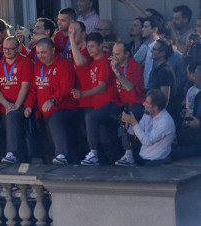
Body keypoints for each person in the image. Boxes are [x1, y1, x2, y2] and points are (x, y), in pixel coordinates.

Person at [72, 32, 122, 166]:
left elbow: (102, 87)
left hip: (111, 104)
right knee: (106, 140)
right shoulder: (94, 61)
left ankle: (93, 153)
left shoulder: (105, 61)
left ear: (101, 46)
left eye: (93, 46)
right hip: (99, 106)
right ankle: (114, 165)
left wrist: (82, 94)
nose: (90, 49)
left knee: (90, 118)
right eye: (88, 46)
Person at [30, 38, 78, 165]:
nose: (40, 56)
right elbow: (33, 89)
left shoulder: (64, 65)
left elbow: (67, 87)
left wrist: (52, 100)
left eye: (44, 52)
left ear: (53, 50)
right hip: (43, 112)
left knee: (56, 119)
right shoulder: (38, 65)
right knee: (47, 141)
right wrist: (28, 106)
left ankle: (62, 155)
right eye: (38, 53)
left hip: (63, 108)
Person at [0, 37, 34, 164]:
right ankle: (17, 157)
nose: (7, 51)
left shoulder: (25, 62)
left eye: (11, 49)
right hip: (5, 105)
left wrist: (16, 105)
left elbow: (25, 86)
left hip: (21, 104)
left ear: (18, 48)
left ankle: (12, 153)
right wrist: (6, 104)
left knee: (14, 117)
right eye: (5, 49)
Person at [111, 41, 146, 166]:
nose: (115, 57)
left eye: (118, 54)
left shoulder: (134, 66)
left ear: (127, 54)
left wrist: (116, 72)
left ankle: (129, 155)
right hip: (121, 102)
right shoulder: (114, 64)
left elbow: (129, 86)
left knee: (126, 116)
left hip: (137, 103)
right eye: (113, 54)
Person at [121, 89, 175, 164]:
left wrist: (134, 122)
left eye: (147, 103)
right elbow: (138, 131)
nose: (143, 104)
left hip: (156, 161)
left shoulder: (165, 121)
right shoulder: (148, 114)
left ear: (155, 107)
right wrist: (127, 126)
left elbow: (147, 141)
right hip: (144, 157)